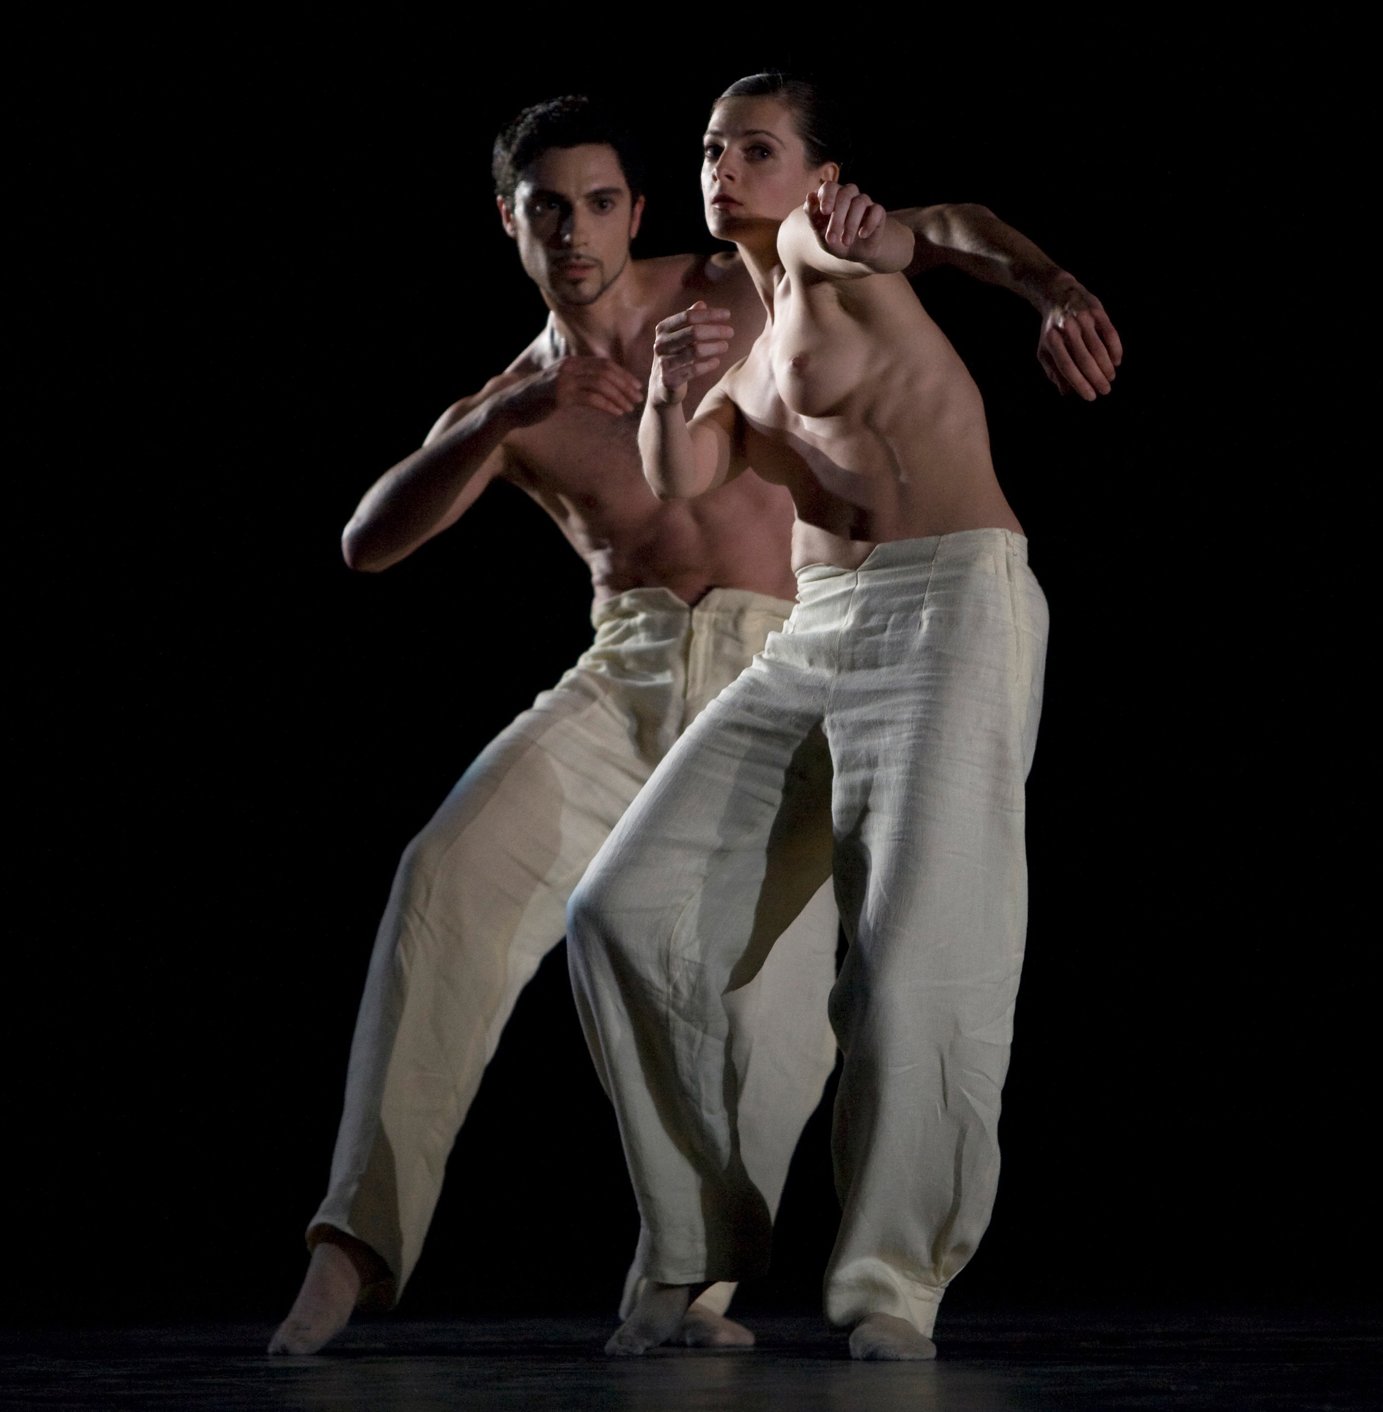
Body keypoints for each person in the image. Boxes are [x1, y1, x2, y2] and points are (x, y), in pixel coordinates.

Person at [269, 93, 1121, 1357]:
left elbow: (915, 234)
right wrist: (546, 409)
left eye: (602, 201)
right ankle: (416, 1243)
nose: (576, 232)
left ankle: (784, 1282)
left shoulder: (753, 268)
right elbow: (376, 537)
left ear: (640, 209)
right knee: (511, 891)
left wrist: (1033, 282)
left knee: (832, 976)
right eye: (545, 208)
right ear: (505, 221)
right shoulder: (531, 391)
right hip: (651, 663)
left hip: (826, 624)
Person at [567, 73, 1113, 1361]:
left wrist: (1046, 288)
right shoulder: (738, 338)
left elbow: (963, 224)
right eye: (709, 148)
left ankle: (887, 1283)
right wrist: (664, 386)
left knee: (918, 947)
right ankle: (698, 1236)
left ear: (813, 177)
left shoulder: (831, 243)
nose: (721, 167)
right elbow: (683, 476)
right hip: (815, 630)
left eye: (755, 148)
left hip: (947, 606)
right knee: (622, 910)